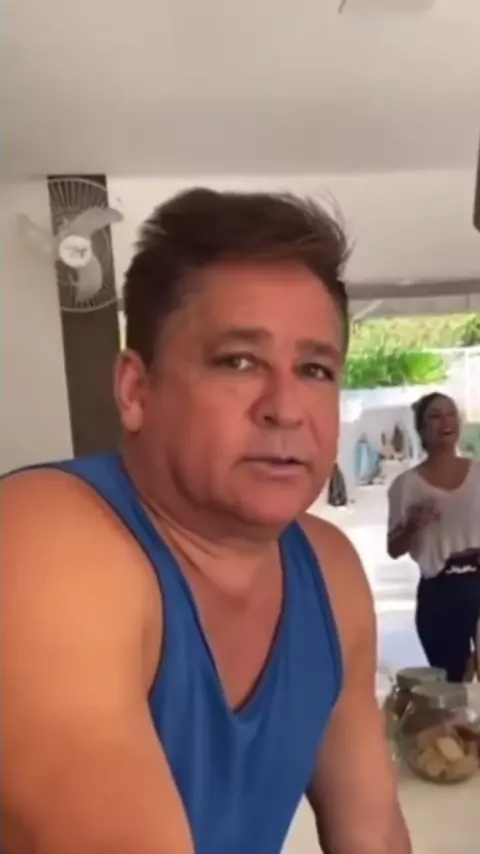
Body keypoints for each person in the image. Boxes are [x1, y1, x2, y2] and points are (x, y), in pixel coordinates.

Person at [2, 189, 410, 854]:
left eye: (315, 369)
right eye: (238, 361)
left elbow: (374, 831)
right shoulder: (43, 540)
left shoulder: (329, 571)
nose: (286, 408)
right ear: (136, 391)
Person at [387, 391, 480, 682]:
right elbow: (393, 549)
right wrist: (412, 526)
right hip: (440, 594)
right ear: (421, 428)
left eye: (451, 414)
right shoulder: (406, 485)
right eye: (435, 416)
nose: (445, 422)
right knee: (452, 685)